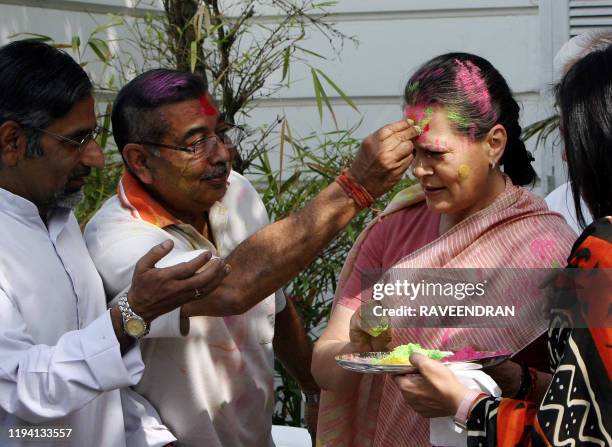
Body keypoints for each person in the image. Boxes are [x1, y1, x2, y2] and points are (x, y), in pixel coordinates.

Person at [83, 69, 417, 446]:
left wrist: (312, 389)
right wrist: (355, 187)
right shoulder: (117, 240)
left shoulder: (234, 192)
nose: (222, 155)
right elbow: (232, 289)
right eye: (196, 143)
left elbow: (270, 296)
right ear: (140, 160)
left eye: (221, 134)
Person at [311, 53, 578, 446]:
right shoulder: (393, 229)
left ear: (494, 144)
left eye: (435, 154)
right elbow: (323, 364)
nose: (419, 170)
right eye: (414, 153)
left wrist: (513, 383)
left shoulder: (552, 247)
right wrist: (357, 349)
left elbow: (590, 398)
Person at [0, 41, 231, 447]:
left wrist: (152, 437)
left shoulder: (58, 217)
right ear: (12, 142)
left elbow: (99, 385)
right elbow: (25, 390)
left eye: (93, 137)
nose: (96, 158)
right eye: (75, 141)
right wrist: (131, 314)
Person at [393, 44, 612, 446]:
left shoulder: (596, 253)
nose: (565, 154)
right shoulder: (397, 224)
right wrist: (520, 380)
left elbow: (577, 433)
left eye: (571, 137)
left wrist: (466, 405)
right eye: (414, 154)